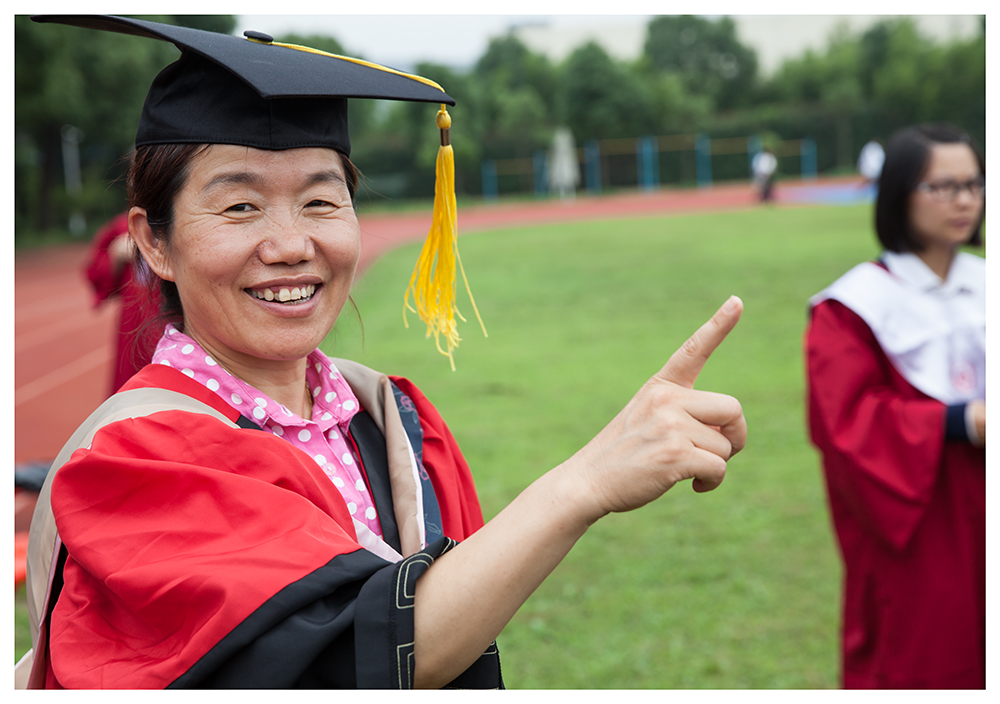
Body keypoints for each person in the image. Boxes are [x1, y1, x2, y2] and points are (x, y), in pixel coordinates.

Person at [21, 16, 746, 690]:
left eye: (321, 201)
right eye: (240, 206)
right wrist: (585, 483)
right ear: (153, 242)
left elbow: (463, 615)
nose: (291, 245)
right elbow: (346, 659)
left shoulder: (395, 421)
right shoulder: (137, 461)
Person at [805, 123, 985, 689]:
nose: (964, 200)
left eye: (973, 184)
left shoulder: (989, 284)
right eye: (943, 187)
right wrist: (961, 421)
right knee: (929, 661)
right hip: (921, 520)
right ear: (899, 194)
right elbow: (847, 424)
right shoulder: (852, 308)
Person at [84, 211, 162, 394]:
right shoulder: (122, 226)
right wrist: (115, 256)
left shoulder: (178, 218)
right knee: (130, 383)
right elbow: (97, 273)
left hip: (170, 318)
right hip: (133, 321)